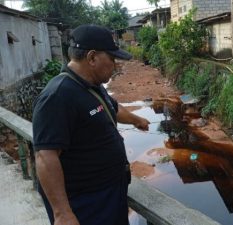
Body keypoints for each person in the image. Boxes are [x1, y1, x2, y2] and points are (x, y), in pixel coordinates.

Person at [32, 24, 150, 225]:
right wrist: (62, 214)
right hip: (85, 204)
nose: (115, 65)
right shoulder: (58, 95)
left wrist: (136, 119)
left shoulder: (92, 85)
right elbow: (45, 157)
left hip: (110, 195)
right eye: (112, 59)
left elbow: (112, 108)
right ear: (92, 57)